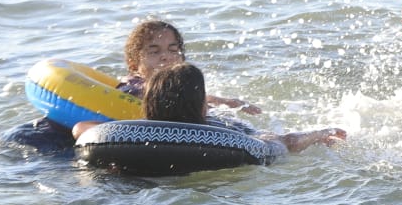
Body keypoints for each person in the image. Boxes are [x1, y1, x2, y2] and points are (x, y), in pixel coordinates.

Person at [77, 63, 346, 154]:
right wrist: (322, 132)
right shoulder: (225, 129)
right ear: (202, 106)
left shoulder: (131, 131)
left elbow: (81, 129)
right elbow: (287, 143)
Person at [120, 19, 261, 113]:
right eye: (154, 51)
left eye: (173, 50)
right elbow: (146, 93)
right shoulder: (133, 86)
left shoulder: (179, 87)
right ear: (134, 63)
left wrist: (228, 102)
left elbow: (191, 97)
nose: (166, 56)